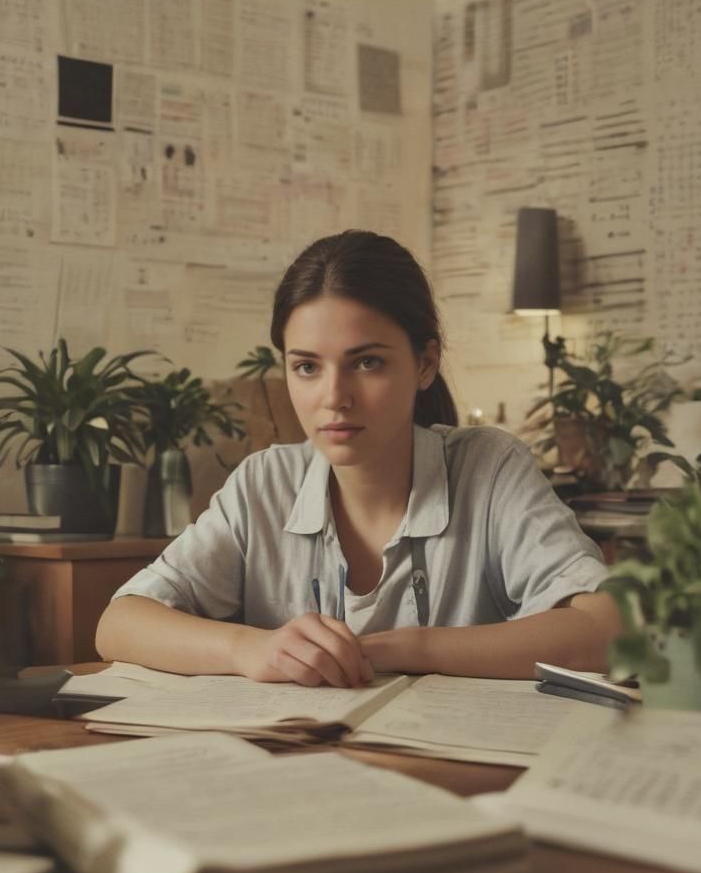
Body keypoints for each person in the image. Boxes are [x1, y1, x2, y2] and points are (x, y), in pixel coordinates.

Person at [96, 230, 620, 687]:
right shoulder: (263, 483)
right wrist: (248, 649)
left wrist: (407, 649)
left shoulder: (489, 468)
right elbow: (119, 623)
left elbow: (606, 630)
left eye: (366, 362)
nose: (334, 397)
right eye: (306, 367)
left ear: (425, 363)